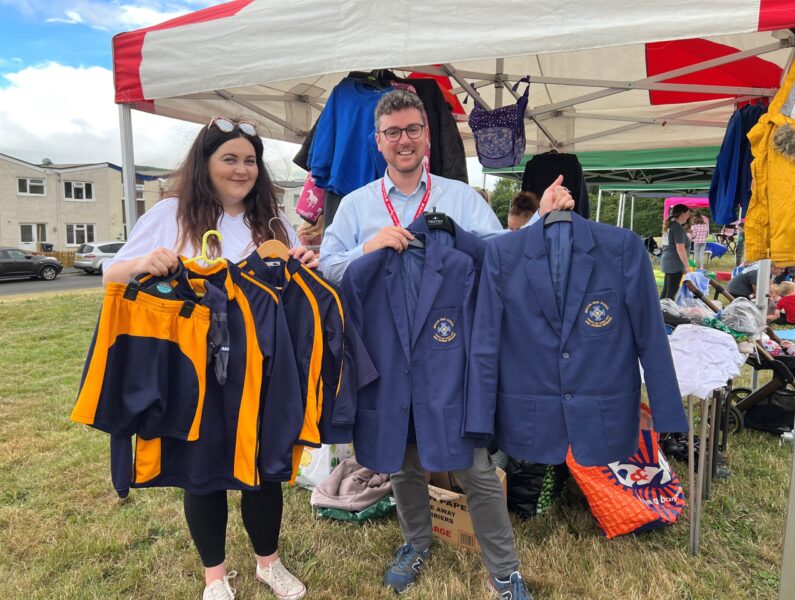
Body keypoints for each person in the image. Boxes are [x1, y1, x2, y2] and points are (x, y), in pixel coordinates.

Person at [320, 89, 574, 600]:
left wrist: (543, 219)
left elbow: (497, 255)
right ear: (378, 141)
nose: (404, 140)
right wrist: (368, 246)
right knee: (402, 459)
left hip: (447, 356)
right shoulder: (356, 205)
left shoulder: (459, 198)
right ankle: (416, 542)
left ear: (427, 135)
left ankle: (503, 568)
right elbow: (328, 266)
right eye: (393, 132)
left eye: (413, 129)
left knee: (473, 466)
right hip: (388, 357)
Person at [104, 116, 315, 600]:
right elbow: (111, 277)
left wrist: (303, 261)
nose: (242, 170)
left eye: (250, 161)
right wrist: (141, 263)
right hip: (194, 369)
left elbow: (293, 281)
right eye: (230, 159)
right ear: (205, 163)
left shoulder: (272, 220)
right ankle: (215, 578)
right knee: (202, 473)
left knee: (264, 470)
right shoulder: (169, 215)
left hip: (262, 369)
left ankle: (269, 563)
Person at [659, 204, 691, 300]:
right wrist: (687, 266)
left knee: (666, 290)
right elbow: (680, 248)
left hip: (668, 260)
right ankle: (666, 313)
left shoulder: (670, 225)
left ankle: (660, 312)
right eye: (687, 214)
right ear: (681, 214)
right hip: (674, 263)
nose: (688, 216)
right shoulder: (677, 228)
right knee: (671, 292)